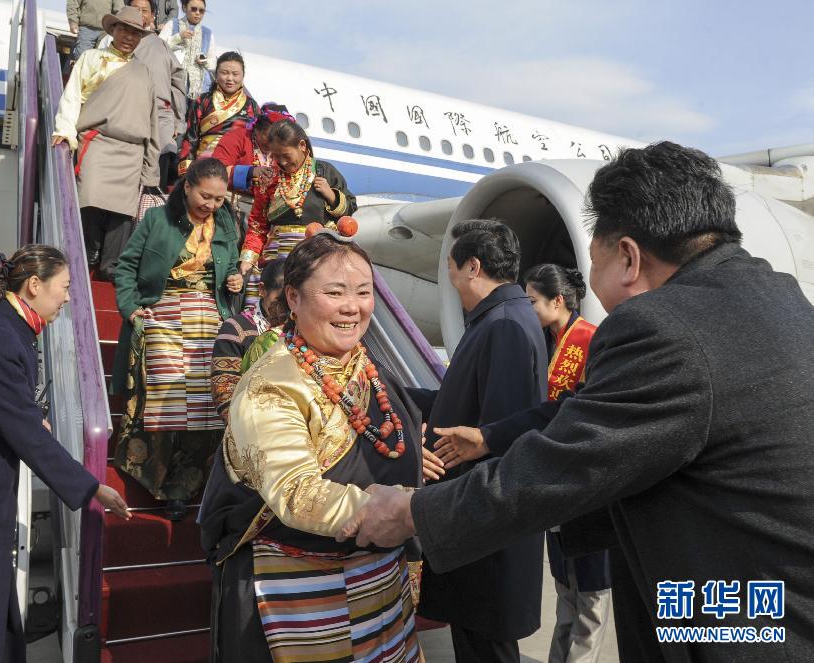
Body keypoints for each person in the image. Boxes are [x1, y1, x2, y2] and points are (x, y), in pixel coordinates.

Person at [339, 142, 814, 662]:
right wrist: (490, 437)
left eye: (594, 269)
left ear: (629, 257)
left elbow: (564, 462)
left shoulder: (663, 328)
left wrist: (414, 511)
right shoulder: (780, 297)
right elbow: (592, 406)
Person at [198, 232, 423, 663]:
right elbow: (298, 493)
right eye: (335, 293)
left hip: (378, 583)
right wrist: (412, 510)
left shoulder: (359, 361)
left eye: (363, 292)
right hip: (296, 592)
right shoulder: (271, 386)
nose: (352, 307)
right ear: (294, 299)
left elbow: (393, 428)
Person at [0, 246, 130, 663]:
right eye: (64, 287)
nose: (68, 297)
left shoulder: (9, 329)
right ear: (35, 285)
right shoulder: (0, 338)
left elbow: (11, 414)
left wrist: (28, 417)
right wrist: (90, 488)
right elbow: (27, 434)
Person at [402, 220, 547, 663]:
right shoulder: (501, 318)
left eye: (450, 268)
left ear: (473, 267)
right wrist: (392, 391)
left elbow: (496, 433)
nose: (450, 279)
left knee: (486, 650)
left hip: (484, 528)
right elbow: (462, 404)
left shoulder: (501, 325)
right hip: (479, 525)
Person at [111, 158, 242, 521]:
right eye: (206, 196)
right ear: (186, 186)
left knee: (205, 406)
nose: (212, 205)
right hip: (164, 314)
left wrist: (235, 280)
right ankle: (156, 477)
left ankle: (184, 487)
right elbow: (125, 267)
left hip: (208, 319)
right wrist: (131, 307)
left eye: (219, 198)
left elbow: (229, 268)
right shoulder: (157, 220)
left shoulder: (228, 223)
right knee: (165, 403)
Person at [523, 263, 611, 663]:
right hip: (554, 479)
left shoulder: (592, 341)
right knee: (565, 590)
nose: (528, 310)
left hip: (585, 485)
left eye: (533, 302)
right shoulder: (546, 340)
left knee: (591, 598)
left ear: (557, 301)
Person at [52, 6, 160, 281]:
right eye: (124, 29)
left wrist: (151, 164)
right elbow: (72, 96)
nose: (128, 37)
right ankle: (88, 253)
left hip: (132, 150)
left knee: (122, 214)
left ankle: (111, 265)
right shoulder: (90, 58)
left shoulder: (145, 72)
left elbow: (152, 120)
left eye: (135, 33)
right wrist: (65, 130)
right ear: (113, 30)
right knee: (89, 198)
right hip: (98, 140)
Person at [238, 118, 357, 310]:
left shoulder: (324, 171)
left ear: (302, 145)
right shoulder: (270, 178)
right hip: (276, 258)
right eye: (276, 157)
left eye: (286, 155)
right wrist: (247, 258)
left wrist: (330, 194)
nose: (282, 162)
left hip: (314, 256)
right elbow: (258, 224)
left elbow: (350, 208)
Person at [97, 0, 187, 187]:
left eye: (144, 10)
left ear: (152, 16)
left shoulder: (162, 46)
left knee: (159, 162)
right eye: (134, 9)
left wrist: (178, 119)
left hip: (160, 113)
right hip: (121, 112)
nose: (139, 13)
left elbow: (178, 83)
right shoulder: (109, 40)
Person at [210, 257, 287, 423]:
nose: (285, 309)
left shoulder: (302, 327)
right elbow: (224, 390)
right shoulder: (236, 329)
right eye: (279, 301)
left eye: (291, 301)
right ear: (262, 290)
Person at [177, 51, 259, 176]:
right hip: (203, 167)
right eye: (224, 73)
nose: (230, 78)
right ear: (216, 74)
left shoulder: (251, 106)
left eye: (235, 74)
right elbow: (190, 138)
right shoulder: (202, 101)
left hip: (236, 169)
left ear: (243, 76)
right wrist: (186, 172)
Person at [213, 103, 292, 195]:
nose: (273, 144)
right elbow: (215, 171)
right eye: (269, 138)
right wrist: (251, 172)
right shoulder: (237, 138)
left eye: (279, 140)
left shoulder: (284, 150)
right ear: (257, 129)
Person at [159, 0, 215, 99]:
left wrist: (204, 61)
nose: (197, 13)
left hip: (200, 91)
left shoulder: (208, 33)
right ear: (184, 8)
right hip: (172, 85)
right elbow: (157, 47)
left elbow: (213, 63)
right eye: (194, 9)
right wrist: (178, 37)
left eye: (201, 11)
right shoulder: (172, 24)